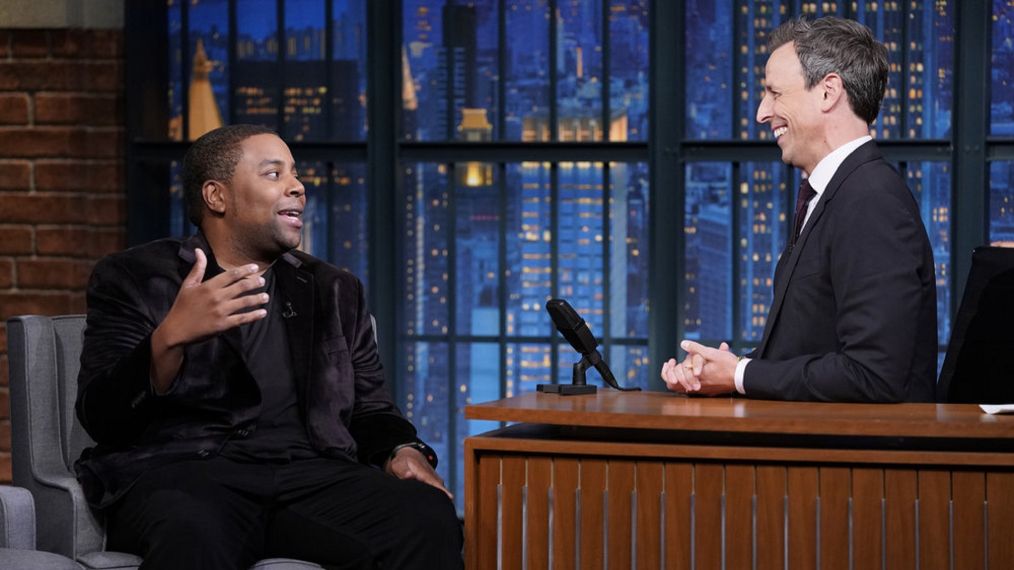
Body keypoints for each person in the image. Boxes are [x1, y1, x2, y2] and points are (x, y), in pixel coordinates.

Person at [74, 124, 463, 569]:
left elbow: (371, 409)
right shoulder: (136, 276)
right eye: (274, 174)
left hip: (310, 474)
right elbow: (101, 416)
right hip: (188, 474)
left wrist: (402, 450)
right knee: (193, 530)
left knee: (426, 516)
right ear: (217, 197)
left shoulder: (334, 288)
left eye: (295, 174)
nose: (298, 187)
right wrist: (169, 338)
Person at [661, 17, 937, 402]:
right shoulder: (834, 195)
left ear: (828, 92)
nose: (761, 112)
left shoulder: (871, 201)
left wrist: (741, 374)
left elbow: (873, 375)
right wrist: (722, 373)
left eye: (774, 93)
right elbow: (811, 354)